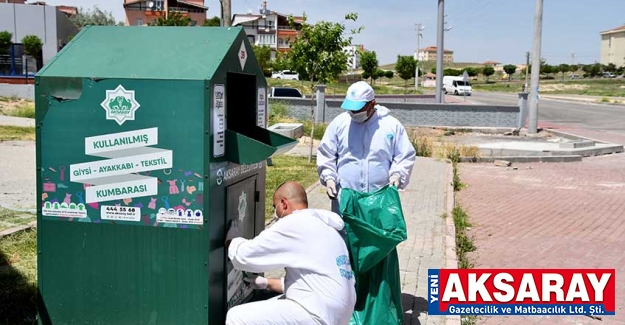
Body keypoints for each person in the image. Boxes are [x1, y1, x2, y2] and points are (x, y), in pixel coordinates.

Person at [224, 181, 357, 325]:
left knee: (236, 316)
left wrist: (232, 240)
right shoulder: (326, 226)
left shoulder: (294, 223)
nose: (275, 213)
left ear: (284, 204)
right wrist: (265, 283)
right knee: (275, 304)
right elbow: (309, 282)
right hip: (337, 313)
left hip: (318, 313)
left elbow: (246, 256)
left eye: (275, 207)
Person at [317, 81, 416, 212]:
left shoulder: (391, 126)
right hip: (345, 198)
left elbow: (404, 155)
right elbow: (326, 153)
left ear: (372, 104)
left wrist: (398, 175)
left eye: (358, 109)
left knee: (374, 232)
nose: (353, 112)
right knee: (345, 231)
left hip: (379, 199)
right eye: (351, 108)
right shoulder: (339, 124)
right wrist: (328, 177)